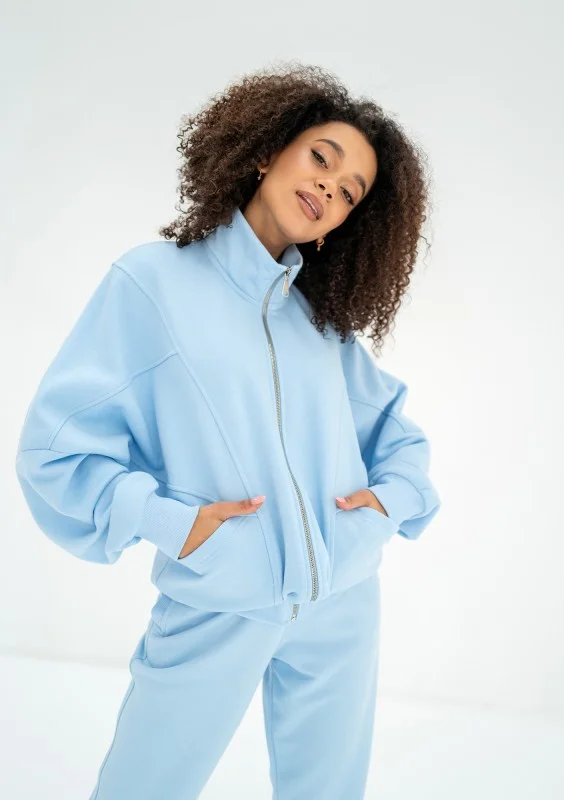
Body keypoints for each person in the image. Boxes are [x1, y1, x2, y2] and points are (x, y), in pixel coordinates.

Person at [15, 63, 442, 799]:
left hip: (341, 605)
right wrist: (176, 526)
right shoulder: (152, 284)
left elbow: (399, 440)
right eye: (321, 158)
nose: (329, 189)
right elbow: (53, 450)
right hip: (219, 598)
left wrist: (382, 509)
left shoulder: (318, 322)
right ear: (266, 151)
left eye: (350, 193)